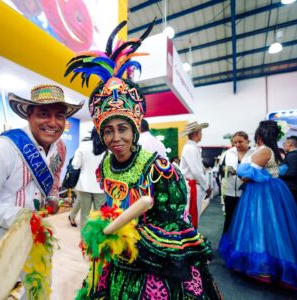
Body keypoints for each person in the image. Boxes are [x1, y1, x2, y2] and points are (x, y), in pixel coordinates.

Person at [65, 20, 222, 299]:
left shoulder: (158, 168)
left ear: (135, 129)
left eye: (123, 129)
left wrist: (133, 236)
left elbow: (174, 219)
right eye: (109, 131)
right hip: (116, 258)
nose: (116, 139)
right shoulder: (105, 166)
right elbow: (112, 207)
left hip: (154, 265)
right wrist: (104, 229)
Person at [0, 84, 83, 278]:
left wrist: (53, 198)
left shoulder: (60, 148)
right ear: (29, 115)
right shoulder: (3, 149)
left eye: (60, 116)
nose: (53, 123)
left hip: (33, 244)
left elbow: (53, 182)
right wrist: (23, 218)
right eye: (44, 114)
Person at [218, 120, 297, 298]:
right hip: (268, 191)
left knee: (261, 227)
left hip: (261, 193)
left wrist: (242, 172)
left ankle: (264, 268)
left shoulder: (265, 150)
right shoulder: (271, 150)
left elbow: (248, 176)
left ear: (261, 135)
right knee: (272, 228)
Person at [68, 128, 107, 229]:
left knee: (84, 214)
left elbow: (75, 165)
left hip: (84, 185)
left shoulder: (83, 146)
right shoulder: (107, 147)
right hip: (101, 186)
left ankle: (84, 241)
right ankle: (97, 242)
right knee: (99, 215)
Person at [218, 131, 255, 234]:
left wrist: (237, 172)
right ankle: (227, 244)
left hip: (247, 193)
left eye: (240, 142)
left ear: (247, 141)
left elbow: (256, 173)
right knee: (229, 218)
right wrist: (224, 169)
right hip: (229, 192)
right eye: (235, 142)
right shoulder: (227, 153)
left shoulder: (255, 153)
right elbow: (220, 170)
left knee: (246, 219)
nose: (237, 145)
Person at [179, 121, 211, 228]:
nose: (201, 135)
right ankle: (190, 239)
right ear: (196, 133)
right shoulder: (190, 148)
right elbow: (196, 171)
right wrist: (206, 187)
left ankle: (190, 238)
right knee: (191, 214)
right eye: (201, 132)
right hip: (192, 186)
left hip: (194, 185)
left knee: (192, 213)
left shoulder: (192, 147)